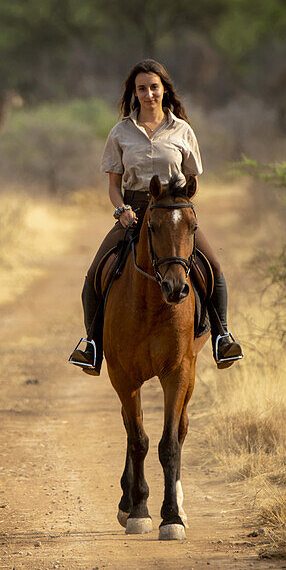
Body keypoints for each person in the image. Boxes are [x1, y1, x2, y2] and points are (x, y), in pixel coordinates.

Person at [68, 58, 243, 374]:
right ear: (133, 93)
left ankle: (222, 337)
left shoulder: (183, 131)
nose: (148, 94)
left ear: (164, 90)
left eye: (153, 87)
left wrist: (180, 212)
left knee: (214, 268)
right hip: (133, 211)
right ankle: (92, 346)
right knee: (95, 273)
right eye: (141, 89)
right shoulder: (120, 132)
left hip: (173, 212)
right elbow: (112, 184)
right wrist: (121, 211)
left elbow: (193, 182)